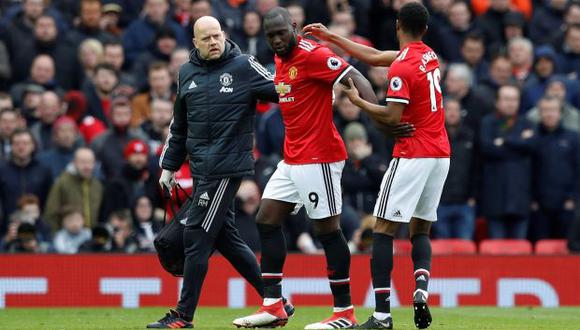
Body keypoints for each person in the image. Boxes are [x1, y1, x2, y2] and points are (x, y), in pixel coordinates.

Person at [233, 7, 409, 329]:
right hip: (293, 157)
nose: (275, 40)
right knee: (266, 220)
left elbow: (354, 76)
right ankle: (273, 306)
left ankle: (344, 312)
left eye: (281, 33)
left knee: (327, 231)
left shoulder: (313, 53)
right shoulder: (281, 57)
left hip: (320, 158)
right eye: (270, 36)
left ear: (295, 27)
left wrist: (381, 119)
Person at [304, 2, 450, 328]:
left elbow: (393, 117)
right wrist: (333, 38)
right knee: (420, 227)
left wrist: (359, 102)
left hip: (414, 153)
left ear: (398, 24)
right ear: (424, 30)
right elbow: (373, 56)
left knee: (382, 229)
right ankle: (421, 289)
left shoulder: (402, 69)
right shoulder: (428, 55)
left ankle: (382, 315)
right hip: (441, 154)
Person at [150, 16, 293, 328]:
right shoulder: (186, 73)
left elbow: (280, 90)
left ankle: (183, 316)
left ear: (224, 35)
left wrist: (310, 88)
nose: (214, 42)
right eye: (207, 38)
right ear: (195, 43)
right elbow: (180, 125)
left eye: (217, 36)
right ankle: (277, 302)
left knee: (197, 235)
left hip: (227, 167)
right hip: (202, 167)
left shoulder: (244, 65)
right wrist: (170, 166)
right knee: (226, 238)